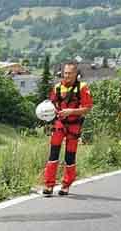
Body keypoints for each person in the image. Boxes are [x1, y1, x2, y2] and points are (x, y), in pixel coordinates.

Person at [39, 62, 93, 196]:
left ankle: (66, 185)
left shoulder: (82, 88)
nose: (67, 76)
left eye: (70, 73)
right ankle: (49, 185)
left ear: (76, 74)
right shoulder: (57, 87)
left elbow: (87, 108)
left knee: (70, 156)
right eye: (65, 73)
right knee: (53, 154)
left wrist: (71, 111)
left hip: (74, 125)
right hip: (59, 124)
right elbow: (50, 105)